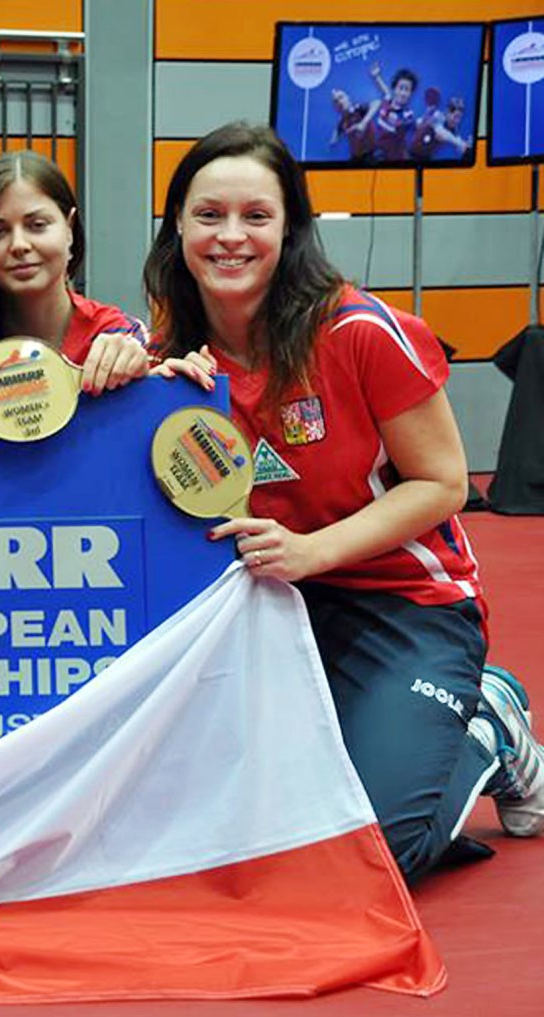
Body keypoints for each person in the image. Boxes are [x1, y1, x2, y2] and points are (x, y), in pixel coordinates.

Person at [144, 121, 543, 882]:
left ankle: (487, 720)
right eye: (207, 215)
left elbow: (443, 483)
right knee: (209, 831)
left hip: (403, 604)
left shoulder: (359, 331)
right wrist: (132, 381)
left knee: (370, 854)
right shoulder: (175, 353)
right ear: (177, 226)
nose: (230, 236)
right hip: (263, 610)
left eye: (255, 216)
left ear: (290, 226)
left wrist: (312, 552)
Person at [0, 149, 151, 388]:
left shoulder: (120, 335)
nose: (19, 245)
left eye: (37, 225)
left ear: (69, 228)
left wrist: (145, 373)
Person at [368, 63, 418, 162]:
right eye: (401, 88)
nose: (403, 93)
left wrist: (397, 123)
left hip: (396, 162)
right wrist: (376, 76)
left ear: (411, 94)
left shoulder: (408, 115)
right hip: (378, 157)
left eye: (407, 90)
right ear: (394, 89)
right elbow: (385, 92)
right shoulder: (387, 101)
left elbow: (408, 124)